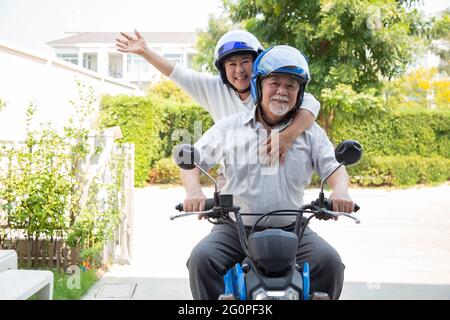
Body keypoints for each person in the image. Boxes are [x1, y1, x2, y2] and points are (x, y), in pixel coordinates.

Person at [180, 45, 355, 300]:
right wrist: (194, 191)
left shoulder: (310, 132)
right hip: (235, 229)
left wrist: (341, 191)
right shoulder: (230, 127)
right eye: (274, 83)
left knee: (330, 263)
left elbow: (334, 168)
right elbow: (192, 162)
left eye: (291, 85)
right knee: (201, 260)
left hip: (294, 229)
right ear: (259, 86)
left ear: (300, 92)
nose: (282, 91)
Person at [115, 30, 321, 168]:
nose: (239, 70)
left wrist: (287, 136)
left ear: (258, 63)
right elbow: (177, 72)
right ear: (223, 69)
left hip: (279, 180)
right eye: (231, 64)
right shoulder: (214, 88)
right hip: (236, 183)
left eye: (245, 61)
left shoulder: (273, 89)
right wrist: (145, 52)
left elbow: (311, 104)